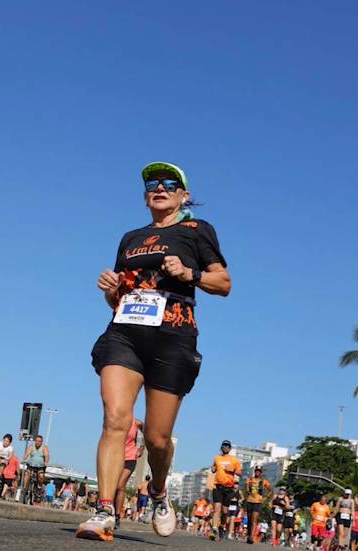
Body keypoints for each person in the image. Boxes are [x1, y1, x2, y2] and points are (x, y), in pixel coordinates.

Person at [77, 161, 231, 542]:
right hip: (125, 333)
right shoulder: (131, 237)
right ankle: (104, 510)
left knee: (157, 439)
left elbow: (223, 283)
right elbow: (118, 298)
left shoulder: (196, 230)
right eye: (152, 183)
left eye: (169, 183)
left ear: (183, 194)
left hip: (173, 334)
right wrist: (110, 288)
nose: (159, 187)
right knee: (116, 419)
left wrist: (189, 274)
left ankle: (159, 491)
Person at [209, 440, 242, 540]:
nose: (225, 447)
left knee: (224, 511)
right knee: (217, 508)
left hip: (229, 488)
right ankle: (214, 529)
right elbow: (213, 468)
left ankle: (222, 526)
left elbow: (240, 473)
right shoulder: (217, 458)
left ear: (230, 448)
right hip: (218, 486)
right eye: (224, 446)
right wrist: (213, 469)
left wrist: (233, 470)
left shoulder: (234, 460)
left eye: (227, 446)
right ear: (221, 447)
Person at [115, 418, 144, 528]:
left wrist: (142, 447)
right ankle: (109, 511)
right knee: (113, 487)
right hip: (115, 457)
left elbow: (147, 430)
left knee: (120, 485)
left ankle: (117, 516)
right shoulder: (115, 419)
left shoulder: (136, 422)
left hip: (130, 457)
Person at [244, 465, 272, 544]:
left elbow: (270, 490)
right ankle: (249, 534)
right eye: (256, 471)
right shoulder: (249, 479)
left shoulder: (264, 481)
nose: (257, 472)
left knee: (254, 519)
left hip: (258, 502)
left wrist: (265, 498)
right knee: (249, 519)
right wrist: (248, 492)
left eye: (259, 471)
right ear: (254, 471)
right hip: (250, 500)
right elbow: (246, 488)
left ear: (261, 472)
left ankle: (251, 537)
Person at [20, 434, 49, 504]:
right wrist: (23, 459)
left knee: (41, 476)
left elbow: (47, 456)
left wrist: (46, 462)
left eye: (40, 441)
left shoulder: (44, 448)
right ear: (35, 441)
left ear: (42, 442)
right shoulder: (31, 447)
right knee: (27, 473)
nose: (38, 443)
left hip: (40, 466)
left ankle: (39, 488)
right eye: (37, 441)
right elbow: (26, 454)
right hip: (31, 465)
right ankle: (24, 489)